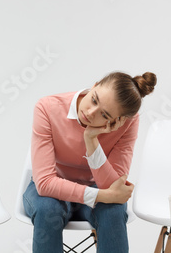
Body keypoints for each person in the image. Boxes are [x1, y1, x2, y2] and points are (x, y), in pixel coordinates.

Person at [23, 71, 157, 253]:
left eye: (104, 115)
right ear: (94, 86)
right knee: (48, 209)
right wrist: (103, 196)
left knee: (113, 211)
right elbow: (45, 183)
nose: (90, 113)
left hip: (97, 188)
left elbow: (111, 185)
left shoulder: (128, 123)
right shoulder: (47, 108)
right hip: (52, 191)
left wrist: (91, 139)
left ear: (118, 120)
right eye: (94, 100)